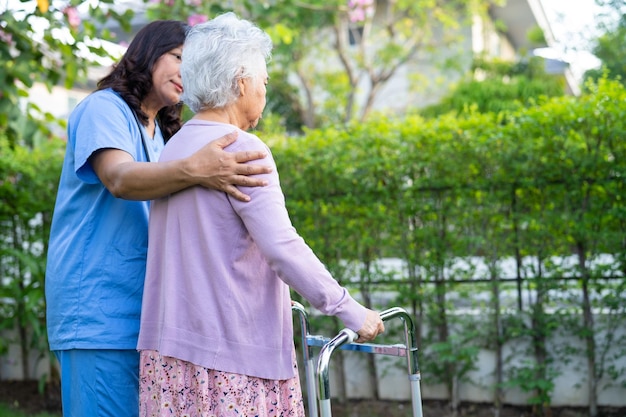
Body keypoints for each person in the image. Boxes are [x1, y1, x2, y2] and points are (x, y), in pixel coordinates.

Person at [137, 12, 385, 417]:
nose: (265, 93)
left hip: (170, 357)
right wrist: (347, 307)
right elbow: (281, 246)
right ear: (240, 82)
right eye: (264, 82)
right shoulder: (242, 147)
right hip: (231, 360)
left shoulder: (177, 148)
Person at [45, 20, 271, 417]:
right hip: (99, 315)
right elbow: (118, 177)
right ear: (147, 53)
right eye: (179, 58)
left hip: (150, 319)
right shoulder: (103, 108)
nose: (186, 73)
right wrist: (197, 168)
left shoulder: (163, 133)